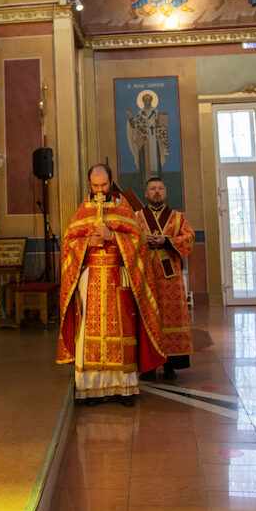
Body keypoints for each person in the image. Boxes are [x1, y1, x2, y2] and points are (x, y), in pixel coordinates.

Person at [56, 164, 165, 404]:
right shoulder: (83, 209)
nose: (99, 190)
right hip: (91, 279)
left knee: (123, 329)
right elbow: (69, 242)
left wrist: (113, 236)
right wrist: (87, 243)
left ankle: (124, 389)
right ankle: (91, 389)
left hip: (118, 277)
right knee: (88, 332)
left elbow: (138, 242)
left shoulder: (122, 206)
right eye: (95, 185)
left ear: (111, 182)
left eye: (103, 185)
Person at [136, 177, 194, 379]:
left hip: (170, 276)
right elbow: (127, 240)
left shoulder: (177, 218)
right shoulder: (136, 217)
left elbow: (189, 238)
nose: (157, 192)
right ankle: (148, 366)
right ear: (146, 193)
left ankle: (171, 364)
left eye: (160, 188)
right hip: (145, 273)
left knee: (171, 317)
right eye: (152, 188)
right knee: (147, 316)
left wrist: (166, 241)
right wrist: (142, 240)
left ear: (165, 192)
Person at [126, 90, 169, 193]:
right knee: (144, 163)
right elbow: (133, 125)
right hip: (144, 144)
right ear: (143, 102)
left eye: (149, 101)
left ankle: (158, 185)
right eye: (145, 101)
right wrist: (130, 116)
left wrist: (162, 141)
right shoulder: (140, 114)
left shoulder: (157, 113)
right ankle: (144, 184)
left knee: (156, 162)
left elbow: (163, 128)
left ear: (151, 101)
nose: (147, 103)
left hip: (155, 142)